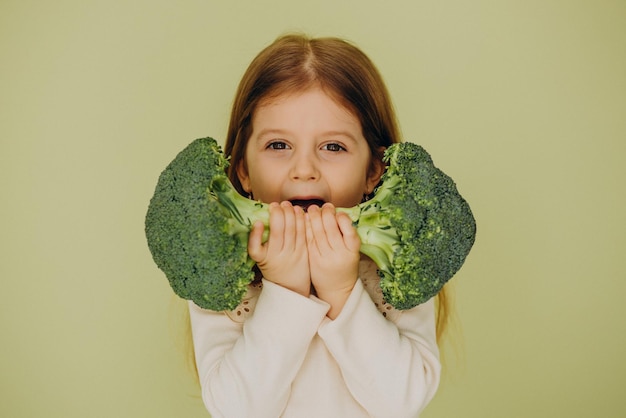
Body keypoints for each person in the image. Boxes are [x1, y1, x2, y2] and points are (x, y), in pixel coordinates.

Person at [187, 33, 450, 418]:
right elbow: (236, 410)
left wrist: (342, 291)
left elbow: (402, 402)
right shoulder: (220, 270)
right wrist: (285, 290)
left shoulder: (401, 258)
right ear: (242, 169)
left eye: (333, 147)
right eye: (278, 145)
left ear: (374, 171)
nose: (304, 170)